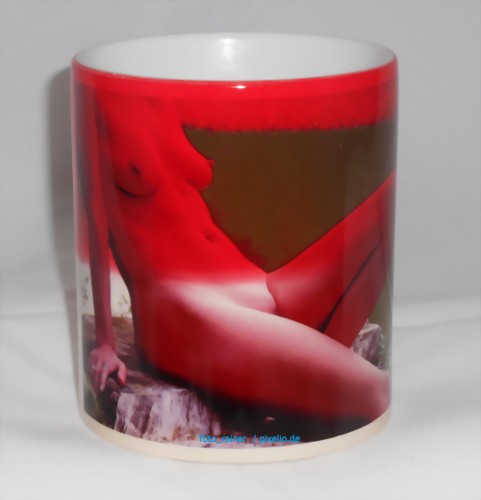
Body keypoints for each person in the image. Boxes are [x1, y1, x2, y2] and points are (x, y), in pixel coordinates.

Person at [77, 87, 395, 423]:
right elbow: (97, 226)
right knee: (377, 391)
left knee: (387, 201)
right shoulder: (95, 99)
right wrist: (105, 342)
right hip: (187, 312)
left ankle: (302, 398)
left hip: (257, 289)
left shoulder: (161, 95)